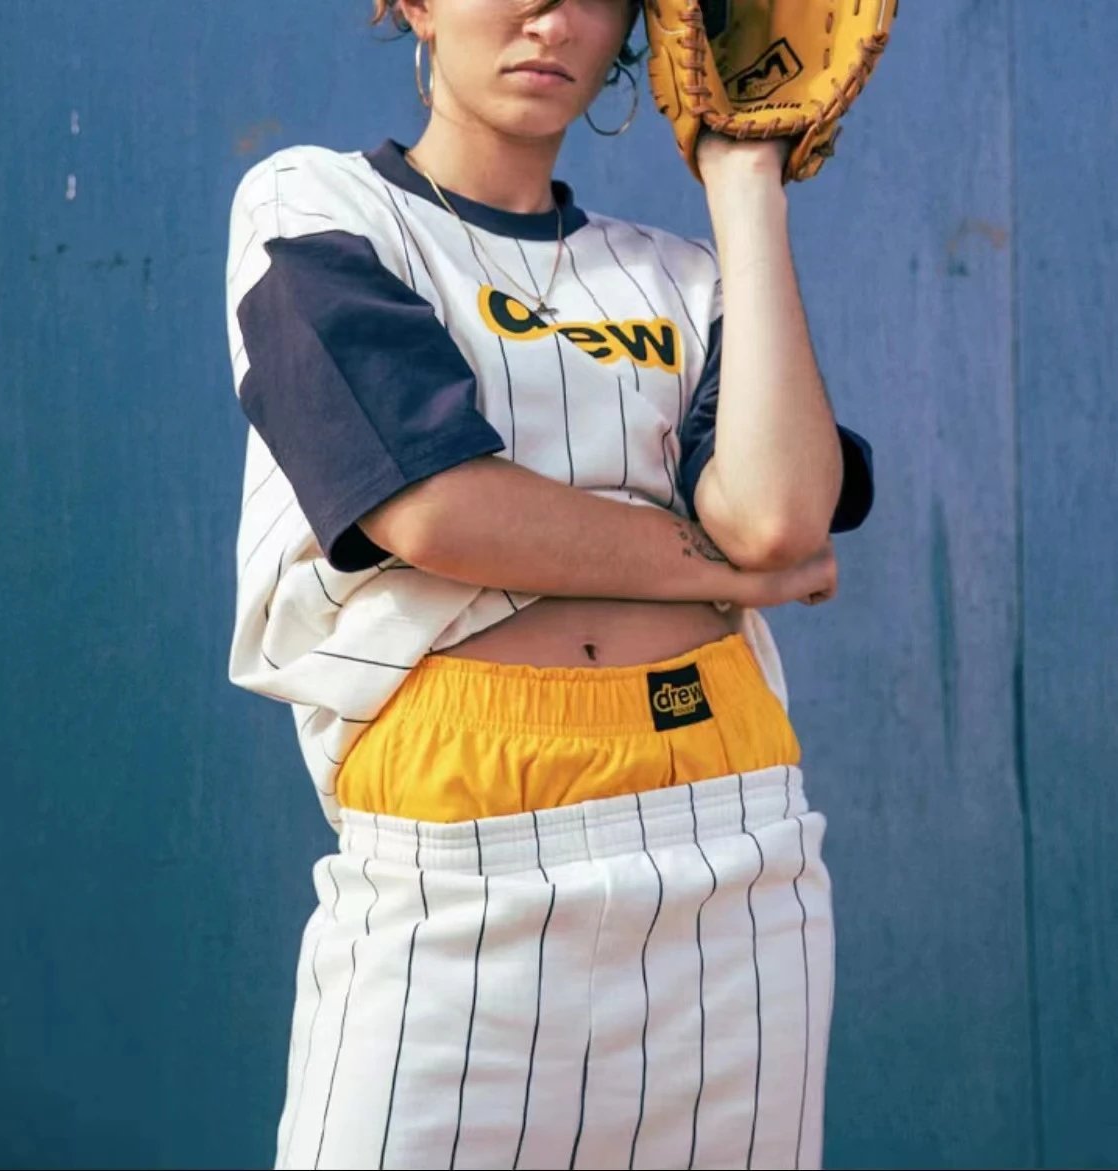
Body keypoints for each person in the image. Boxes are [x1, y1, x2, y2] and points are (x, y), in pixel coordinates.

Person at [223, 0, 874, 1167]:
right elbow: (431, 506)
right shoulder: (318, 207)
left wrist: (742, 182)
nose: (548, 16)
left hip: (732, 839)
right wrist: (722, 572)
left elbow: (776, 514)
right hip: (456, 851)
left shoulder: (686, 278)